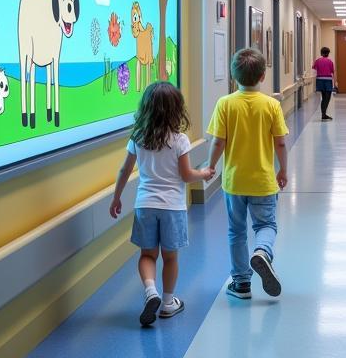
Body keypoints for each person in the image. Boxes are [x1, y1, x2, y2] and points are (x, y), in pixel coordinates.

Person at [110, 82, 214, 328]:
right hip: (172, 207)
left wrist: (116, 197)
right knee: (170, 257)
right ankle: (168, 303)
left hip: (145, 204)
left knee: (147, 255)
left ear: (146, 108)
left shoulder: (138, 137)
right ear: (176, 109)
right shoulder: (179, 140)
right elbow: (187, 175)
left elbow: (125, 169)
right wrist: (204, 173)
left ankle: (150, 292)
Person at [208, 48, 289, 301]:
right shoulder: (271, 105)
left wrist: (211, 166)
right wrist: (283, 169)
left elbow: (218, 142)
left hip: (234, 181)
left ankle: (241, 283)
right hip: (263, 181)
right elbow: (280, 143)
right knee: (266, 225)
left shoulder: (225, 104)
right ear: (263, 76)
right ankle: (263, 251)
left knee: (236, 231)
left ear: (233, 76)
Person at [313, 46, 337, 120]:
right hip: (328, 80)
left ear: (321, 53)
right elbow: (333, 72)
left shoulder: (317, 61)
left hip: (319, 80)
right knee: (327, 98)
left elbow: (314, 70)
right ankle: (323, 114)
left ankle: (323, 114)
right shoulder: (330, 62)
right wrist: (335, 83)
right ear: (328, 54)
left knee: (323, 98)